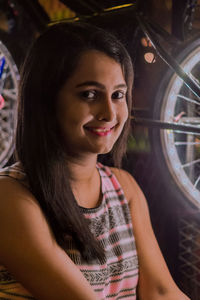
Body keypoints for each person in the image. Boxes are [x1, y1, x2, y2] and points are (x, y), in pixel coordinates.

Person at [0, 21, 190, 300]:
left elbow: (160, 291)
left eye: (118, 95)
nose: (110, 113)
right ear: (47, 100)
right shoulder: (10, 197)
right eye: (89, 94)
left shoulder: (124, 187)